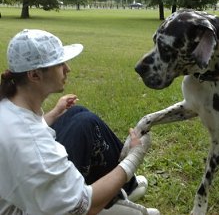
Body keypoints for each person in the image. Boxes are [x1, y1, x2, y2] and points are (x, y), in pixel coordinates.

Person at [0, 29, 160, 215]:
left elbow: (24, 136)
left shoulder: (8, 107)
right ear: (35, 75)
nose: (68, 68)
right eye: (60, 64)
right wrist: (134, 157)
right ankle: (120, 192)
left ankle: (125, 188)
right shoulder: (35, 148)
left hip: (27, 194)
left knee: (79, 114)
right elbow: (84, 206)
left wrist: (54, 114)